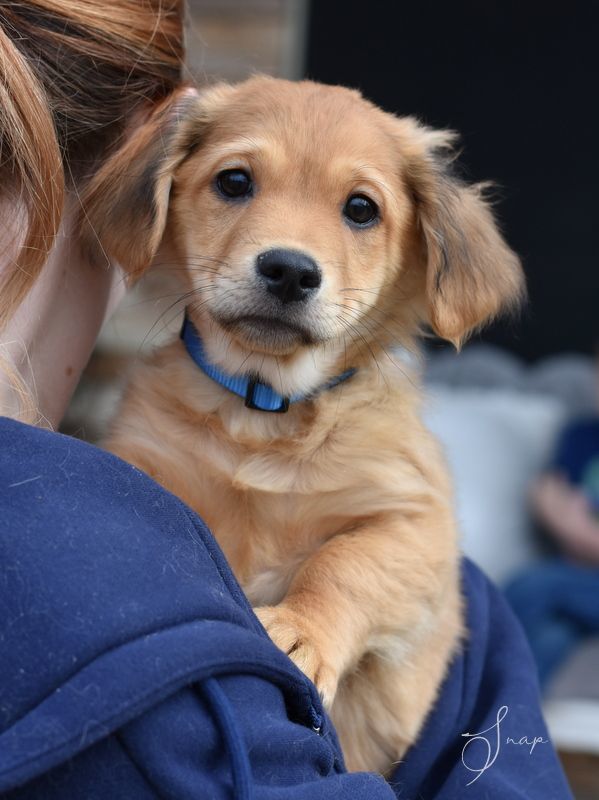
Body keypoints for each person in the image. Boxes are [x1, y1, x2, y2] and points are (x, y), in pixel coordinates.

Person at [0, 3, 573, 797]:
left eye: (359, 210)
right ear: (161, 198)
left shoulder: (385, 453)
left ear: (423, 252)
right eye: (235, 183)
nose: (292, 254)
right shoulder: (123, 448)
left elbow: (411, 538)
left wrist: (325, 610)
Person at [506, 415, 599, 688]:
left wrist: (580, 533)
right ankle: (503, 722)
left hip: (568, 579)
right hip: (576, 580)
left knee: (536, 583)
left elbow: (563, 509)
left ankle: (459, 682)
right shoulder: (581, 434)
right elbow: (545, 494)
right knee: (551, 637)